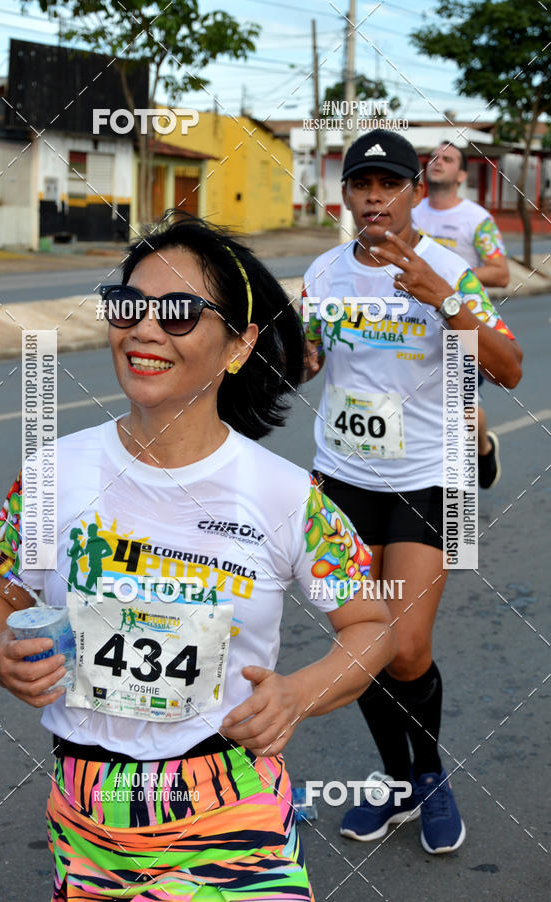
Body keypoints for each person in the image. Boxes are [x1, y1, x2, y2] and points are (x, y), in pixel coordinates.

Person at [0, 212, 396, 902]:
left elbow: (373, 626)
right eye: (129, 305)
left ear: (237, 344)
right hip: (87, 815)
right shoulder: (53, 472)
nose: (143, 328)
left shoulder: (287, 495)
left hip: (233, 806)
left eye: (176, 312)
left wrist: (296, 695)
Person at [303, 129, 522, 854]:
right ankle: (399, 784)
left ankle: (430, 775)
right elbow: (305, 362)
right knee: (364, 643)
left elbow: (509, 367)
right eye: (360, 185)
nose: (373, 196)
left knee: (406, 650)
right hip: (342, 478)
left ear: (412, 194)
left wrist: (442, 299)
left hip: (433, 476)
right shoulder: (326, 272)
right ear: (347, 196)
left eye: (388, 184)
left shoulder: (446, 269)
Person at [412, 142, 511, 489]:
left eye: (448, 158)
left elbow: (500, 273)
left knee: (464, 413)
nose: (437, 162)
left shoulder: (477, 219)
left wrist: (448, 279)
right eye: (434, 157)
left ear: (462, 175)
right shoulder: (410, 213)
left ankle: (482, 447)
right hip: (409, 329)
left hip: (460, 324)